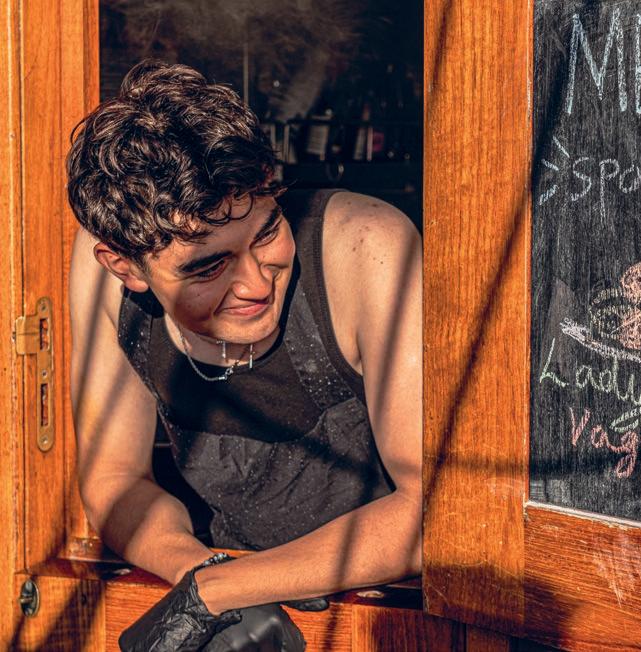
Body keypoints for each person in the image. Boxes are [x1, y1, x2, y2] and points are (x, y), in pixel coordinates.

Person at [66, 60, 422, 650]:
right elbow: (113, 479)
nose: (256, 283)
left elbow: (432, 511)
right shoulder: (103, 272)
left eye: (266, 233)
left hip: (388, 613)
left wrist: (217, 592)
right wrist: (198, 575)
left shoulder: (368, 248)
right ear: (125, 266)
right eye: (208, 267)